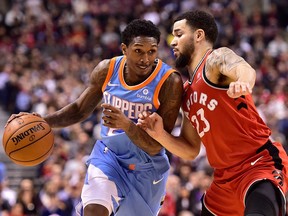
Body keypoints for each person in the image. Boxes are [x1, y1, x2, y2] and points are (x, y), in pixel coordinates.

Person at [7, 19, 183, 216]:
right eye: (138, 50)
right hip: (110, 155)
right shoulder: (107, 70)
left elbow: (158, 145)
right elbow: (80, 109)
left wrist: (126, 124)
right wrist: (42, 121)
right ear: (124, 49)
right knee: (93, 211)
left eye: (152, 51)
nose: (145, 59)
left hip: (147, 164)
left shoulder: (170, 81)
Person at [137, 10, 288, 216]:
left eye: (179, 34)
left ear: (199, 35)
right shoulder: (187, 95)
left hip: (258, 163)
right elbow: (190, 150)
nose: (173, 42)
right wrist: (160, 135)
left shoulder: (215, 59)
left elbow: (243, 68)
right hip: (224, 180)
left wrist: (244, 81)